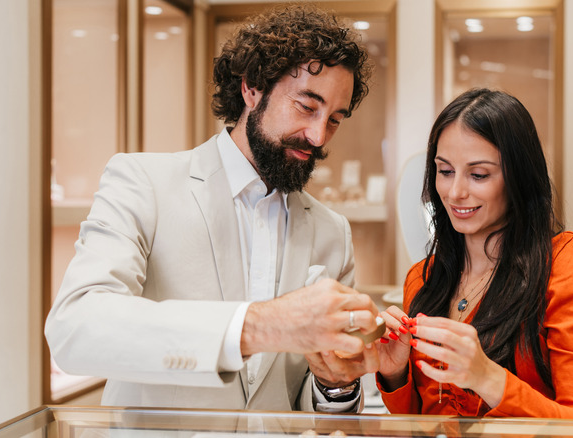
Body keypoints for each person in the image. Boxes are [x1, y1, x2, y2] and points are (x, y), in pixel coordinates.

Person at [45, 3, 381, 413]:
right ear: (252, 88)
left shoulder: (333, 232)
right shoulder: (142, 182)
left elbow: (313, 413)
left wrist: (335, 386)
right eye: (307, 106)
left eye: (335, 120)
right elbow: (75, 330)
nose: (317, 135)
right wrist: (258, 326)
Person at [375, 89, 573, 419]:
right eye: (445, 171)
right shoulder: (423, 278)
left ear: (518, 177)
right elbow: (425, 419)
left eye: (478, 175)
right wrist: (394, 374)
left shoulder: (561, 265)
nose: (455, 192)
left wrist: (487, 378)